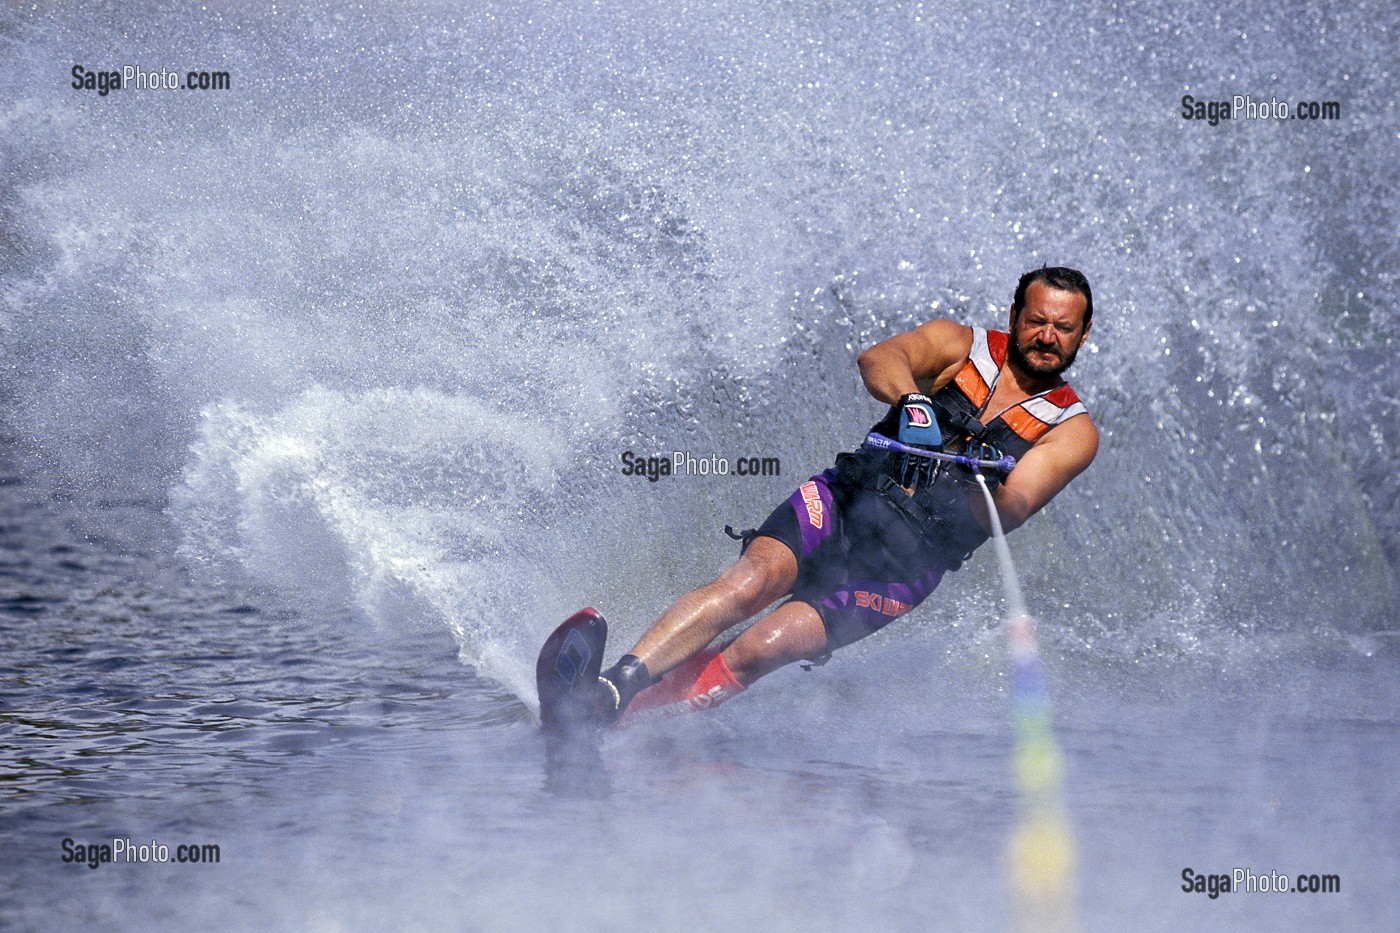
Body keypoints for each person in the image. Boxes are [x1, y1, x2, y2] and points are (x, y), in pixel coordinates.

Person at [592, 266, 1099, 723]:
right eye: (1036, 321)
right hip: (844, 500)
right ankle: (612, 689)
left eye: (1063, 328)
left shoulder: (1072, 431)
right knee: (750, 584)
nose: (1047, 337)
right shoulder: (959, 346)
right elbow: (880, 358)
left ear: (1083, 333)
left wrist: (979, 477)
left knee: (767, 645)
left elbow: (1009, 512)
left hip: (902, 569)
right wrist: (913, 403)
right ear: (1014, 315)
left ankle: (637, 728)